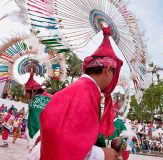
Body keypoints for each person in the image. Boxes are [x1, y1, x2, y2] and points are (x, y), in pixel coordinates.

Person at [39, 24, 123, 160]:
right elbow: (63, 142)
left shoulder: (83, 89)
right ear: (107, 70)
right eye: (115, 74)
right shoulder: (84, 92)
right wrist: (103, 154)